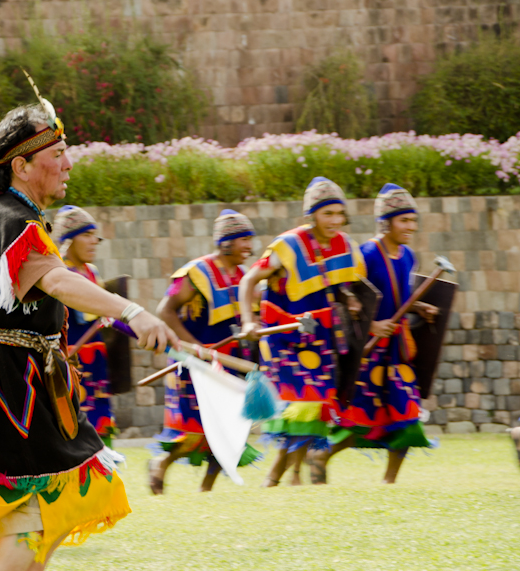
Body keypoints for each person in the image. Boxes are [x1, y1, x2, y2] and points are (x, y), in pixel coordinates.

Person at [0, 100, 177, 570]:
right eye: (58, 153)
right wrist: (133, 311)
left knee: (40, 524)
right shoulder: (9, 220)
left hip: (9, 384)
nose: (68, 164)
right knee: (25, 528)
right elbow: (58, 281)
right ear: (22, 165)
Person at [239, 177, 365, 487]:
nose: (335, 221)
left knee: (317, 405)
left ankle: (288, 478)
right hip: (282, 337)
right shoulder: (288, 245)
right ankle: (276, 477)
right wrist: (247, 321)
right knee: (302, 405)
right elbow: (248, 282)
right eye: (328, 214)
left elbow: (337, 285)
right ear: (312, 215)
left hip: (320, 337)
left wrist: (349, 300)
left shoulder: (343, 245)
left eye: (339, 214)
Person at [310, 184, 437, 483]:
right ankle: (321, 456)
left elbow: (397, 296)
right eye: (404, 220)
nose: (411, 227)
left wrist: (418, 307)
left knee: (407, 415)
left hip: (398, 350)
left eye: (413, 220)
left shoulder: (408, 256)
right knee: (360, 421)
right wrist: (371, 326)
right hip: (369, 352)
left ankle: (389, 482)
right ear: (386, 221)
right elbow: (347, 302)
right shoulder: (364, 254)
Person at [149, 209, 262, 494]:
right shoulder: (196, 272)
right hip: (194, 363)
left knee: (227, 427)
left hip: (229, 363)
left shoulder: (243, 276)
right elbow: (165, 311)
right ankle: (161, 464)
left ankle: (206, 491)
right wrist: (193, 348)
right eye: (242, 240)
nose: (248, 247)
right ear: (225, 242)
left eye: (250, 240)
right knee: (193, 430)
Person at [54, 205, 118, 447]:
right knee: (71, 423)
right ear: (68, 241)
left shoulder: (92, 272)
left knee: (101, 423)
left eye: (95, 237)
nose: (94, 242)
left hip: (95, 361)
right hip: (70, 362)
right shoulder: (59, 272)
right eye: (87, 235)